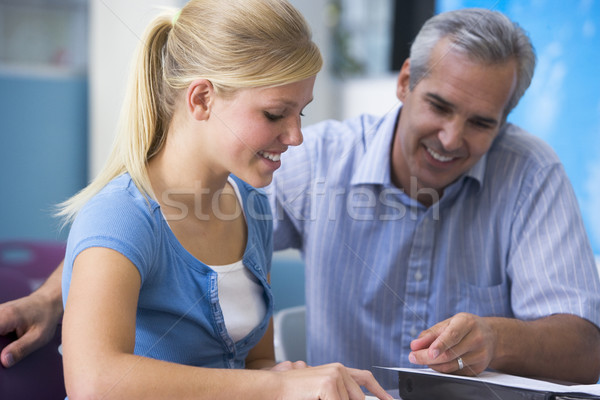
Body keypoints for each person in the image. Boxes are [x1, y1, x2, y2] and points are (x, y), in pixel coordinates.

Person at [2, 6, 600, 393]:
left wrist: (496, 339)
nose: (451, 138)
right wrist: (58, 296)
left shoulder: (252, 203)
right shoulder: (304, 166)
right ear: (404, 84)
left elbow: (587, 348)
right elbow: (122, 242)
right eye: (440, 107)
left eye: (481, 123)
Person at [0, 1, 393, 399]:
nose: (295, 137)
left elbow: (253, 364)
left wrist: (292, 381)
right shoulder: (122, 215)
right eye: (276, 114)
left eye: (300, 115)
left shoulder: (251, 207)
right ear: (202, 99)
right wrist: (275, 386)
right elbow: (94, 382)